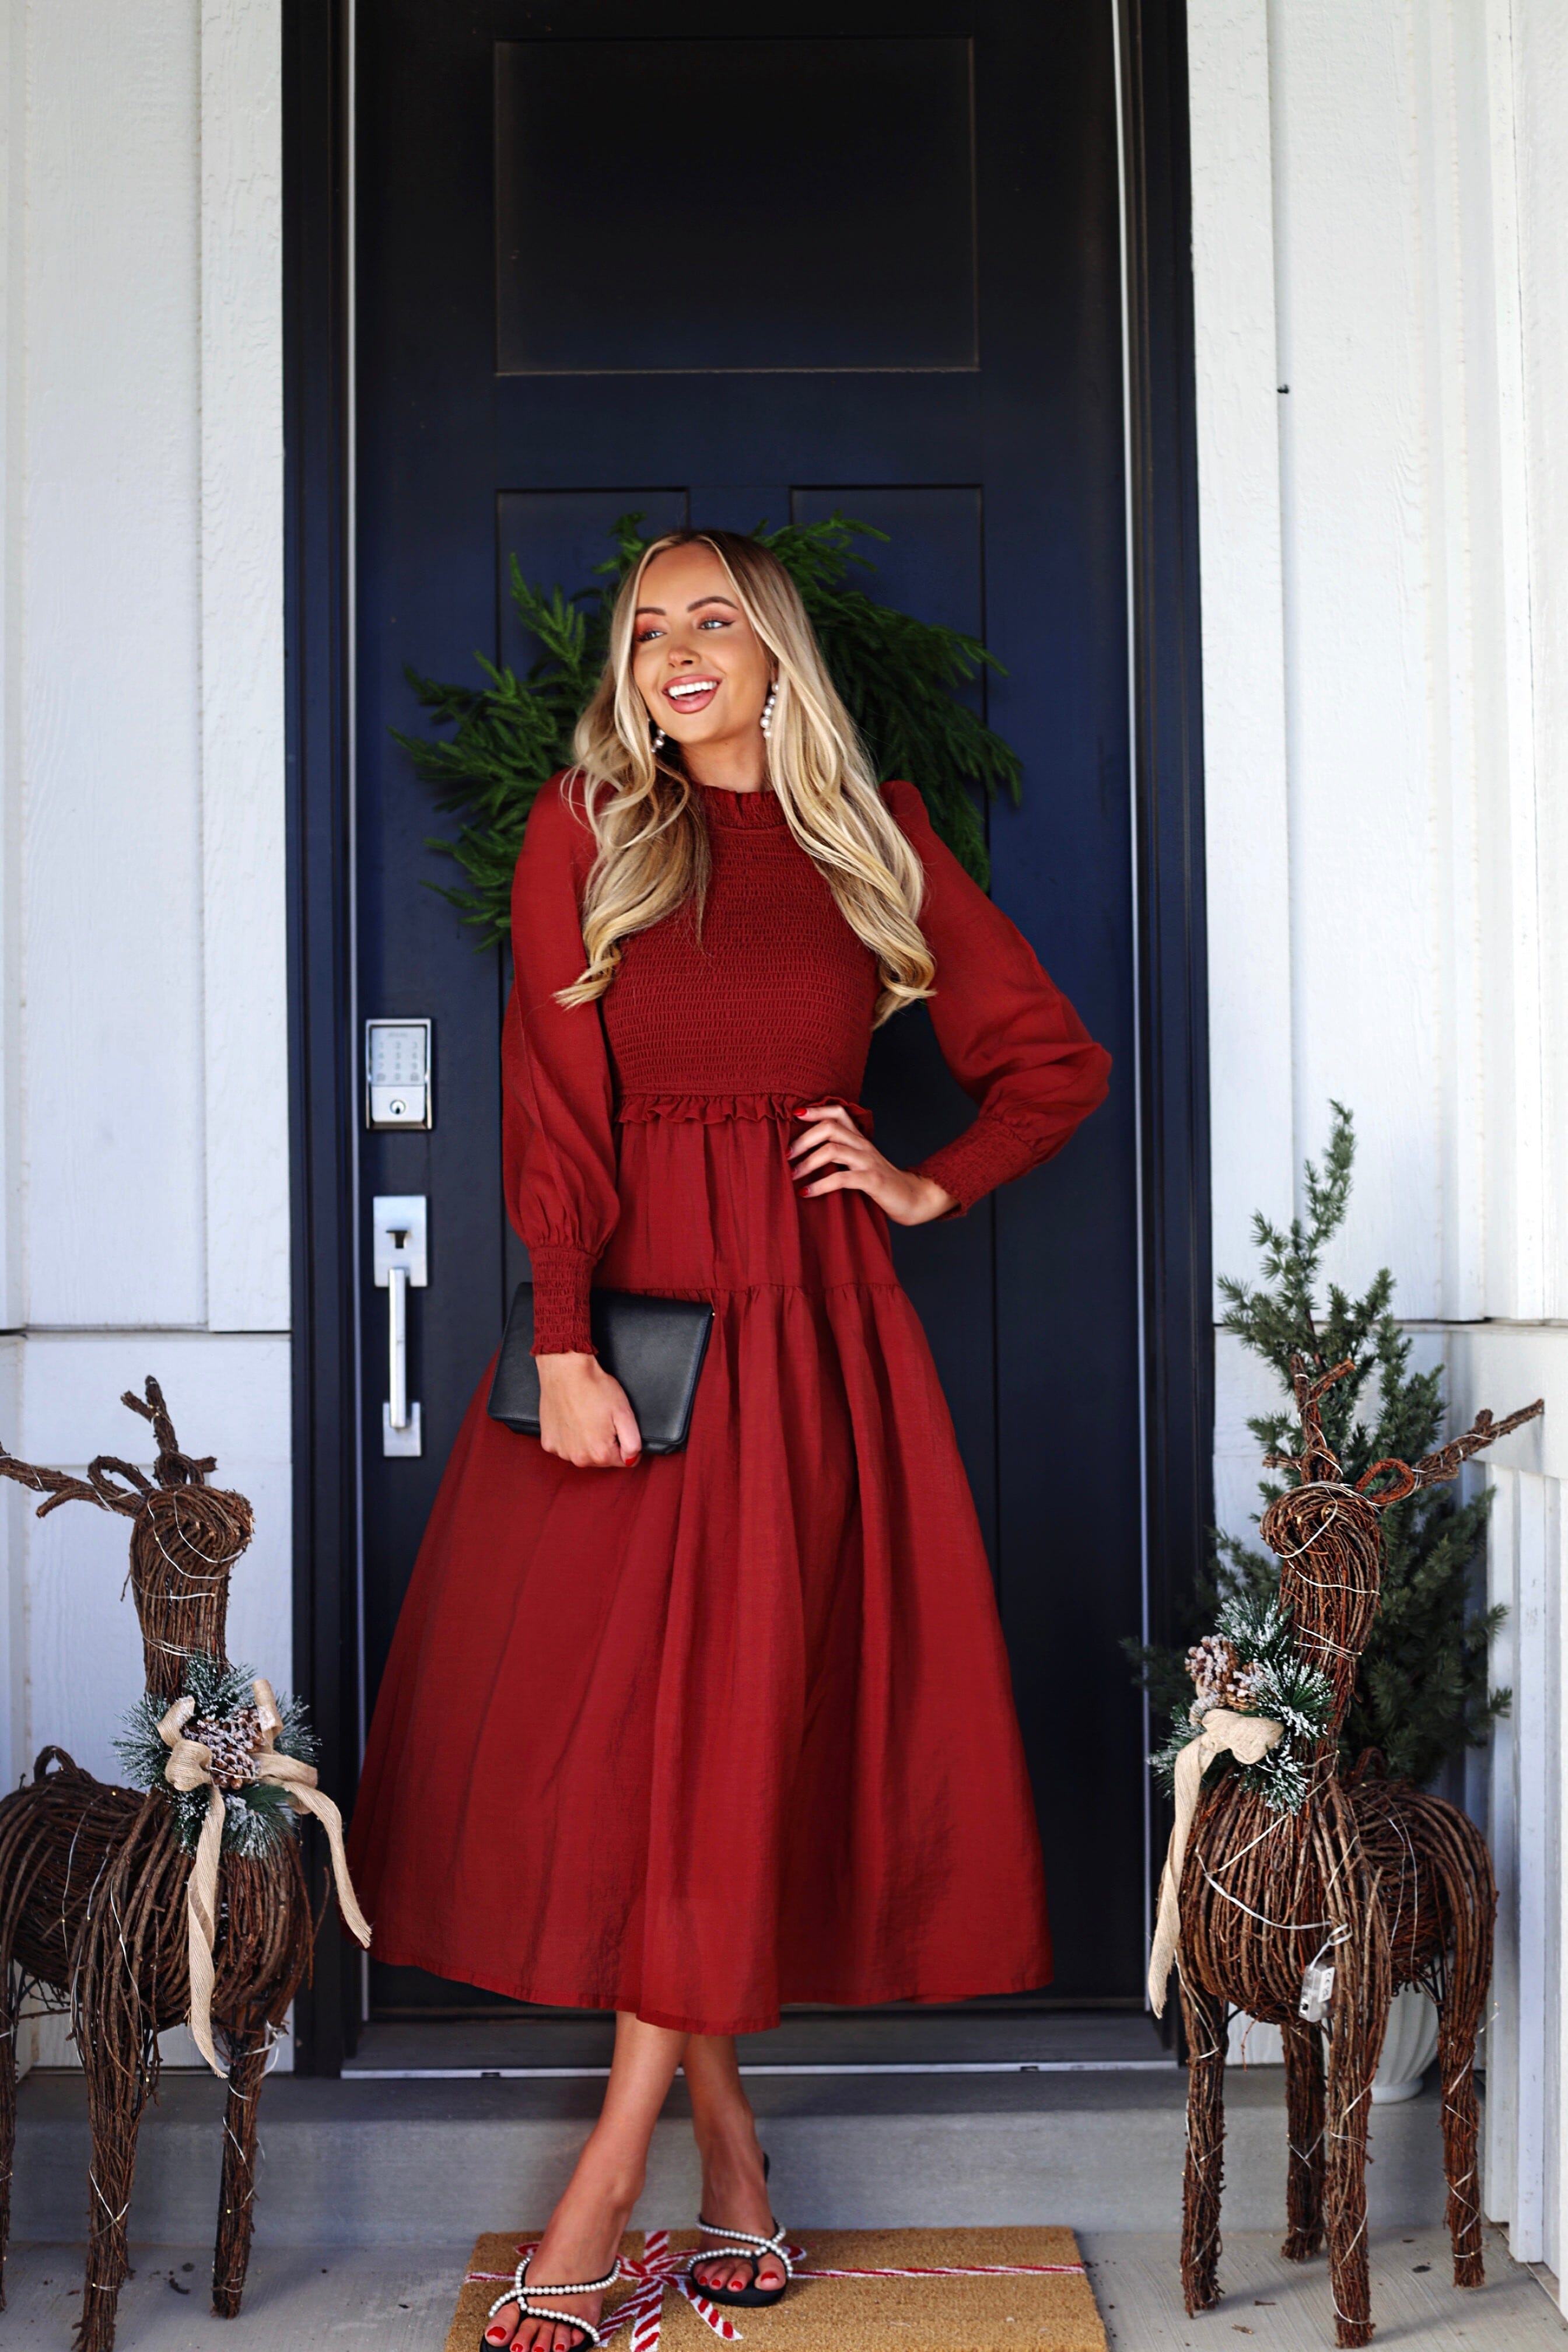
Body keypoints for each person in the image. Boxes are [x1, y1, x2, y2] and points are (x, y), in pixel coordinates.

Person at [348, 530, 1111, 2352]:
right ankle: (729, 2151)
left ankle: (609, 2182)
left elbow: (1052, 1065)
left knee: (735, 1737)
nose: (677, 651)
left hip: (816, 1338)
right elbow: (555, 1108)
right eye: (647, 629)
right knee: (642, 1754)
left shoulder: (878, 839)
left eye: (712, 621)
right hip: (637, 1347)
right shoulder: (594, 825)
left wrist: (926, 1183)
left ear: (776, 655)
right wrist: (561, 1342)